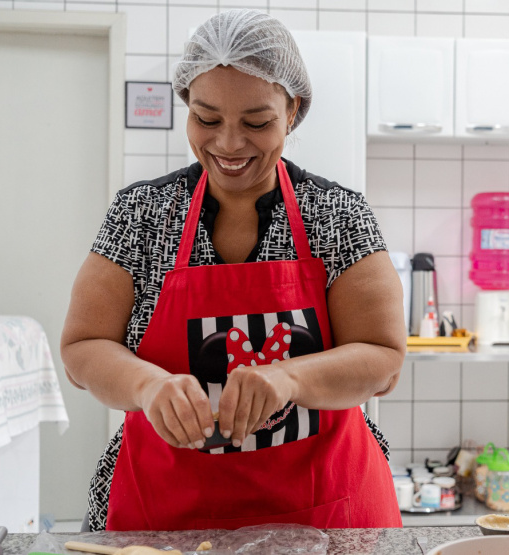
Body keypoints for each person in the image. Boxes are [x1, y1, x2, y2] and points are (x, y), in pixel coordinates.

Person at [61, 9, 405, 531]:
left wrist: (289, 377)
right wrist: (147, 386)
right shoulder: (142, 214)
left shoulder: (337, 215)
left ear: (293, 111)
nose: (227, 144)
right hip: (167, 512)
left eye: (257, 122)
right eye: (207, 118)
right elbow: (83, 348)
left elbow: (383, 359)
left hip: (325, 512)